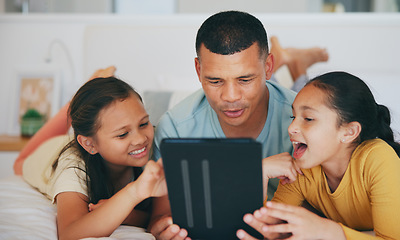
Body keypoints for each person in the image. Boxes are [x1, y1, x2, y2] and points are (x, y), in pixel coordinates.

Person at [147, 10, 329, 240]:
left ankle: (297, 63)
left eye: (245, 79)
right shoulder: (175, 127)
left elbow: (329, 209)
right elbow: (160, 216)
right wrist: (164, 230)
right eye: (215, 81)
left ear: (269, 66)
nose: (230, 96)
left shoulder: (304, 122)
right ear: (198, 70)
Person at [236, 71, 400, 240]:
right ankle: (298, 68)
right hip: (355, 165)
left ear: (349, 132)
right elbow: (263, 227)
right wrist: (260, 172)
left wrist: (328, 230)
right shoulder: (302, 166)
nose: (291, 127)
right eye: (294, 116)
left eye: (308, 118)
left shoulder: (378, 158)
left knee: (384, 152)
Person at [20, 72, 168, 239]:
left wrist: (128, 214)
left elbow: (158, 216)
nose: (141, 138)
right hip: (46, 155)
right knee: (19, 162)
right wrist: (133, 193)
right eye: (122, 134)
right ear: (89, 144)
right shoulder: (73, 164)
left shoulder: (155, 143)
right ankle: (81, 93)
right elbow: (70, 233)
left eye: (143, 123)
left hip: (85, 140)